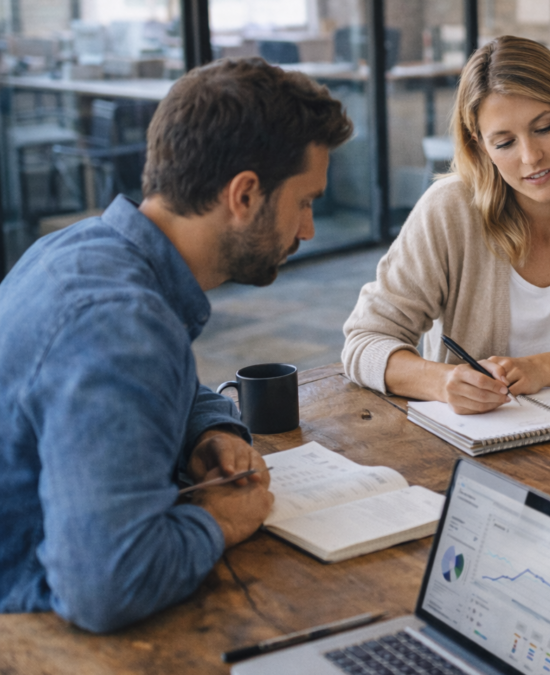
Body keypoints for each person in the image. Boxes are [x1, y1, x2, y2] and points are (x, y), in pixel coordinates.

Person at [0, 58, 352, 632]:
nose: (307, 230)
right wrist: (219, 521)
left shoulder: (84, 250)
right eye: (305, 202)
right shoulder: (121, 325)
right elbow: (109, 585)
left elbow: (174, 386)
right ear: (244, 195)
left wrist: (209, 430)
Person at [342, 36, 550, 414]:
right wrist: (441, 382)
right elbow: (364, 342)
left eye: (544, 127)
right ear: (479, 146)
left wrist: (541, 368)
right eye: (504, 143)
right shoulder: (449, 210)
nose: (531, 157)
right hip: (479, 448)